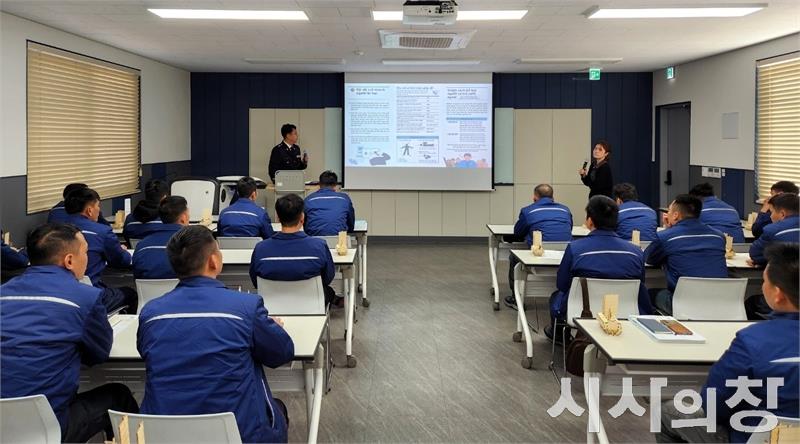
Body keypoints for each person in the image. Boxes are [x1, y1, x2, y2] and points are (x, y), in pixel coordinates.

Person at [137, 226, 294, 443]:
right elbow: (282, 353)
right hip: (239, 433)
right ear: (213, 261)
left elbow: (147, 353)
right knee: (277, 409)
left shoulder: (151, 313)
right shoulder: (246, 308)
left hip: (166, 434)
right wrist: (272, 328)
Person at [1, 223, 138, 442]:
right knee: (118, 396)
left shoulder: (3, 293)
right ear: (69, 261)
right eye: (85, 252)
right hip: (49, 427)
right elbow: (98, 355)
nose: (88, 258)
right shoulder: (85, 298)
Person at [657, 243, 799, 443]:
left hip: (754, 437)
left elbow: (713, 406)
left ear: (778, 294)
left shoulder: (752, 341)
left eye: (764, 281)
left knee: (668, 413)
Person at [546, 196, 651, 342]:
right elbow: (640, 284)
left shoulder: (575, 249)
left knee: (555, 297)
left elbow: (562, 284)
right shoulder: (636, 252)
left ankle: (560, 338)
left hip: (582, 312)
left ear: (589, 221)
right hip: (625, 314)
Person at [250, 194, 341, 307]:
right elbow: (328, 278)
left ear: (277, 217)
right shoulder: (319, 246)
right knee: (328, 291)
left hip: (271, 308)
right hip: (311, 307)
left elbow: (255, 281)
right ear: (302, 217)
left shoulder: (260, 249)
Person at [644, 194, 728, 315]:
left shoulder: (666, 237)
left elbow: (649, 258)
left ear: (675, 215)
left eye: (669, 211)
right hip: (721, 304)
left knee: (648, 294)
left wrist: (668, 229)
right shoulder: (718, 236)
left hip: (684, 305)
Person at [64, 187, 138, 313]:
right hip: (93, 295)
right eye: (98, 206)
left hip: (62, 293)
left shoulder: (53, 231)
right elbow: (122, 260)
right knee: (130, 294)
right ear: (89, 210)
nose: (99, 210)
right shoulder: (102, 232)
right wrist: (120, 250)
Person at [505, 184, 573, 310]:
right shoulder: (565, 210)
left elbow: (517, 233)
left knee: (514, 258)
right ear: (553, 197)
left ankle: (516, 299)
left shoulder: (528, 211)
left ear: (535, 197)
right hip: (565, 258)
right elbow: (569, 228)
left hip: (539, 258)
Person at [132, 196, 190, 279]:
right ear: (183, 218)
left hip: (148, 288)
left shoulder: (141, 246)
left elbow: (137, 275)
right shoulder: (195, 246)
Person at [304, 170, 355, 236]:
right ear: (335, 184)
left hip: (314, 240)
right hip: (339, 240)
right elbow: (351, 223)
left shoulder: (309, 200)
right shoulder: (344, 199)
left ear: (319, 184)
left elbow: (303, 223)